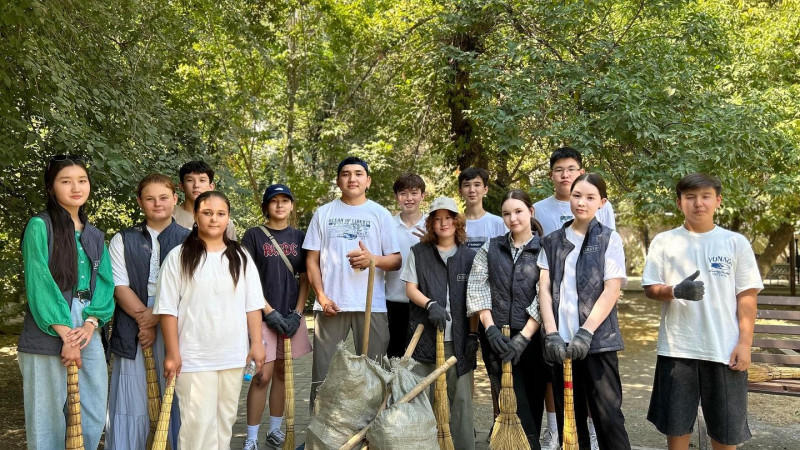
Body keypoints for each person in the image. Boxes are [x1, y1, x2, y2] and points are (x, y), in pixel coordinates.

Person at [641, 173, 762, 450]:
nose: (698, 203)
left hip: (723, 348)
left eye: (705, 196)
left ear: (717, 201)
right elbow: (650, 288)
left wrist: (745, 344)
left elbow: (747, 296)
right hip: (677, 348)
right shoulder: (664, 241)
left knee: (726, 430)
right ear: (679, 202)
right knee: (676, 427)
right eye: (690, 197)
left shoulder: (735, 243)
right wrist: (675, 291)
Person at [155, 191, 266, 450]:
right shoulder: (178, 256)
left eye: (220, 214)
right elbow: (167, 309)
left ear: (228, 218)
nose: (214, 219)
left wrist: (257, 343)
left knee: (224, 422)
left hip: (232, 353)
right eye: (207, 213)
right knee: (197, 426)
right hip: (193, 356)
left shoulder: (241, 257)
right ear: (195, 216)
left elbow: (253, 305)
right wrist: (172, 353)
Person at [18, 155, 115, 450]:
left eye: (82, 180)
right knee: (46, 414)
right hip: (48, 321)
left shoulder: (95, 235)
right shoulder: (40, 225)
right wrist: (65, 333)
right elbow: (39, 281)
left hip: (88, 323)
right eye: (66, 181)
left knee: (94, 406)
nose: (76, 187)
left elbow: (105, 284)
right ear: (51, 187)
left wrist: (90, 323)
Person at [538, 173, 631, 450]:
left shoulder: (609, 239)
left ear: (601, 203)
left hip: (597, 343)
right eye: (577, 195)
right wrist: (552, 334)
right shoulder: (552, 241)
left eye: (590, 197)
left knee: (608, 418)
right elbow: (544, 289)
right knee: (571, 420)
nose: (582, 202)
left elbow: (611, 289)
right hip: (560, 344)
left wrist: (586, 332)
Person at [303, 156, 401, 410]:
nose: (352, 178)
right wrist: (321, 296)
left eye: (358, 173)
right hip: (331, 305)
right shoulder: (324, 213)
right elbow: (311, 260)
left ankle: (373, 434)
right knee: (323, 376)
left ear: (367, 180)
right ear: (338, 180)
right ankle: (319, 435)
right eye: (346, 174)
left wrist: (373, 259)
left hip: (371, 305)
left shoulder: (380, 214)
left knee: (375, 374)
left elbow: (396, 260)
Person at [106, 174, 190, 449]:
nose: (157, 204)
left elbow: (191, 289)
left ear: (175, 200)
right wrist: (144, 319)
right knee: (132, 397)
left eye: (164, 197)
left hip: (175, 325)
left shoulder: (191, 240)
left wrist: (155, 317)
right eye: (150, 198)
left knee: (174, 393)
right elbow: (119, 285)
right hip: (133, 326)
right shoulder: (123, 239)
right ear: (140, 202)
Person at [467, 189, 548, 449]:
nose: (512, 218)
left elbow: (545, 294)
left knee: (533, 401)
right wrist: (489, 330)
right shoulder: (491, 247)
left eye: (518, 211)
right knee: (511, 401)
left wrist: (524, 337)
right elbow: (478, 288)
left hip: (533, 340)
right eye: (506, 213)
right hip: (497, 339)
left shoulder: (544, 250)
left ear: (530, 212)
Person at [241, 184, 312, 450]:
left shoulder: (300, 237)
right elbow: (247, 278)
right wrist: (267, 310)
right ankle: (250, 437)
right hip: (261, 314)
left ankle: (274, 430)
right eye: (274, 201)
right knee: (262, 375)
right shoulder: (254, 236)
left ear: (292, 206)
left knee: (284, 372)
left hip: (291, 314)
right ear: (266, 206)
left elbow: (306, 277)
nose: (280, 205)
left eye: (285, 200)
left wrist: (298, 312)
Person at [403, 197, 478, 450]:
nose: (444, 223)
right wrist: (430, 304)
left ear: (457, 222)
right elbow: (410, 288)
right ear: (431, 223)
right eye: (438, 218)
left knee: (461, 403)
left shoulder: (470, 257)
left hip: (458, 343)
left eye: (449, 218)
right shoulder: (419, 253)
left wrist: (472, 336)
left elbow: (476, 298)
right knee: (422, 400)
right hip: (424, 339)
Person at [385, 173, 427, 358]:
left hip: (424, 302)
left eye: (414, 193)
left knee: (421, 357)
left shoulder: (432, 225)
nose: (409, 198)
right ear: (396, 197)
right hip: (392, 302)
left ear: (423, 196)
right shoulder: (387, 226)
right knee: (394, 356)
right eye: (403, 193)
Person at [534, 147, 616, 235]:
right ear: (551, 175)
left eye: (571, 169)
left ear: (581, 173)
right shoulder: (537, 210)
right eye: (559, 170)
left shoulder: (601, 205)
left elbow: (610, 241)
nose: (565, 175)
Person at [173, 160, 237, 240]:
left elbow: (231, 250)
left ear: (211, 186)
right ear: (181, 185)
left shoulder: (223, 221)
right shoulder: (170, 215)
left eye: (202, 180)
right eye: (190, 180)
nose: (196, 185)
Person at [458, 167, 507, 250]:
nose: (472, 190)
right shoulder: (455, 225)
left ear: (485, 189)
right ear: (460, 191)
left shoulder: (499, 224)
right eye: (466, 185)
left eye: (477, 185)